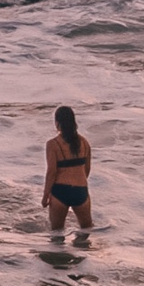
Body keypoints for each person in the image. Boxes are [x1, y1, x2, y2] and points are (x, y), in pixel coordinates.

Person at [43, 102, 94, 245]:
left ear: (57, 123)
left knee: (57, 236)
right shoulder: (84, 142)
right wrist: (79, 184)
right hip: (81, 191)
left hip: (60, 191)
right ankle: (84, 263)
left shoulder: (52, 144)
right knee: (86, 231)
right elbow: (87, 169)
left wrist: (46, 195)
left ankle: (58, 263)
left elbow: (51, 172)